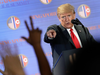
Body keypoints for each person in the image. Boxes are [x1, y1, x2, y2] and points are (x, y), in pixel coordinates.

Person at [44, 3, 96, 73]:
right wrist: (50, 34)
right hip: (64, 71)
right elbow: (49, 34)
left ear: (74, 15)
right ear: (59, 18)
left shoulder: (83, 29)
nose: (67, 19)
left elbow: (93, 47)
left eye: (69, 15)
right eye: (63, 17)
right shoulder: (56, 30)